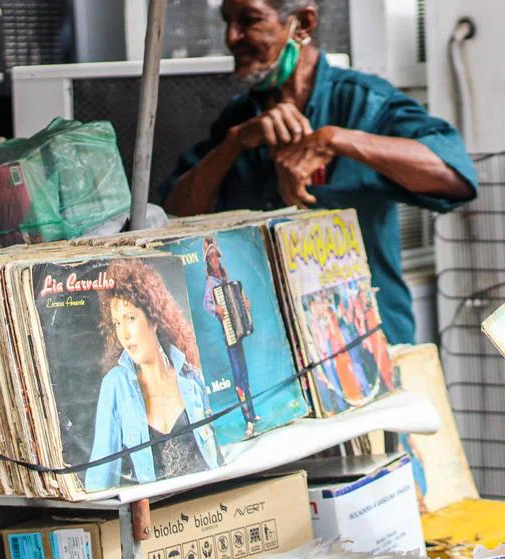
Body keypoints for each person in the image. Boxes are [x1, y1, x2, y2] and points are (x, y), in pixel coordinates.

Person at [160, 0, 478, 346]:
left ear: (303, 24)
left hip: (371, 347)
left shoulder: (362, 101)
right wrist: (235, 143)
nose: (232, 37)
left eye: (249, 20)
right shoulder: (238, 119)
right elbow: (173, 216)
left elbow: (455, 177)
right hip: (273, 350)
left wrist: (337, 139)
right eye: (227, 22)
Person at [86, 259, 220, 492]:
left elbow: (218, 456)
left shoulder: (191, 377)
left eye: (130, 318)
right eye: (117, 323)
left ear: (153, 317)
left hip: (208, 502)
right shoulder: (116, 385)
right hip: (159, 514)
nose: (124, 334)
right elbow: (99, 481)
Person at [201, 236, 261, 435]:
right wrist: (215, 308)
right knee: (238, 379)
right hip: (230, 336)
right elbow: (206, 304)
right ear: (208, 262)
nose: (214, 260)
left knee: (244, 376)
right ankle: (248, 420)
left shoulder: (227, 280)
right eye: (211, 258)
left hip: (239, 332)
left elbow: (240, 299)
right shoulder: (211, 282)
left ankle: (251, 414)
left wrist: (246, 305)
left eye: (216, 256)